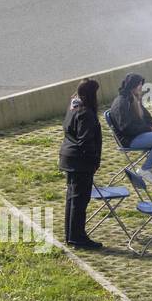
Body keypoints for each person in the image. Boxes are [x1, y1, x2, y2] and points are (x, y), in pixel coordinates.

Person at [58, 78, 103, 250]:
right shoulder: (86, 113)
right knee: (79, 201)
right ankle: (78, 237)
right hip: (80, 162)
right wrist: (94, 161)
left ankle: (71, 235)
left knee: (72, 199)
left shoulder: (73, 106)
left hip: (69, 158)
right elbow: (85, 142)